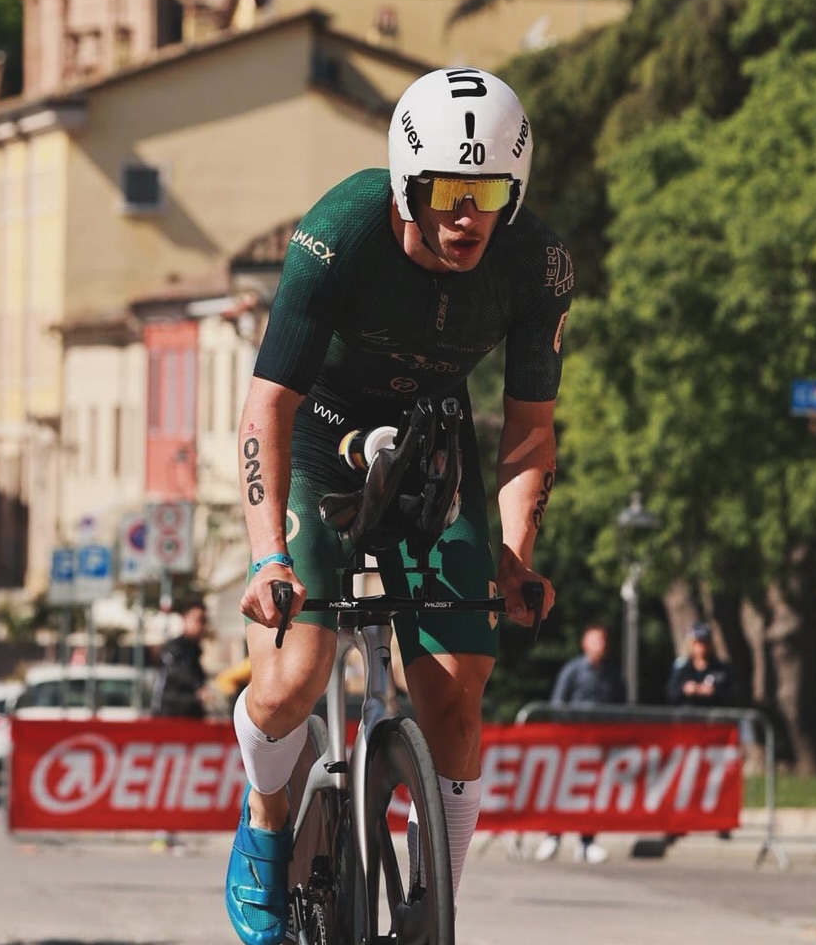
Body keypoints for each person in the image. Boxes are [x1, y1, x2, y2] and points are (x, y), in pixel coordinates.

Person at [227, 67, 571, 945]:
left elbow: (530, 429)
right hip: (319, 436)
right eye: (448, 193)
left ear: (514, 192)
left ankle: (434, 910)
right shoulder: (339, 231)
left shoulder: (538, 263)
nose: (467, 216)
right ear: (406, 183)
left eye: (488, 194)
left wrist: (515, 556)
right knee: (294, 678)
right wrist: (269, 557)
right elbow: (268, 404)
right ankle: (266, 826)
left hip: (430, 437)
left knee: (460, 696)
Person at [535, 623, 624, 864]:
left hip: (600, 743)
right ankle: (552, 836)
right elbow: (558, 703)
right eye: (595, 641)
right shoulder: (573, 670)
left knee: (592, 793)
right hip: (573, 742)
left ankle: (587, 842)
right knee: (563, 791)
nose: (600, 646)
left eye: (603, 641)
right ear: (585, 644)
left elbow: (620, 706)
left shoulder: (613, 673)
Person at [152, 599, 209, 719]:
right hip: (170, 717)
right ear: (185, 619)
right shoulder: (175, 647)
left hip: (190, 717)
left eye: (203, 621)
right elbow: (178, 673)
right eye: (197, 620)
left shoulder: (195, 651)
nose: (200, 626)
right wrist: (198, 688)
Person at [666, 622, 735, 707]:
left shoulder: (721, 668)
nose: (701, 647)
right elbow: (671, 693)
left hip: (714, 717)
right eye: (697, 643)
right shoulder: (682, 667)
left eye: (704, 643)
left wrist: (714, 691)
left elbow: (733, 694)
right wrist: (685, 689)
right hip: (687, 716)